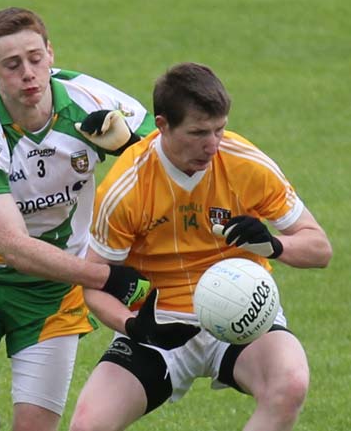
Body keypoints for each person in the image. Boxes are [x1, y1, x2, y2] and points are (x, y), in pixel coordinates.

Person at [0, 7, 155, 431]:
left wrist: (132, 147)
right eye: (12, 65)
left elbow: (166, 155)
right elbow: (13, 248)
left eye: (35, 58)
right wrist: (105, 278)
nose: (28, 73)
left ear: (50, 52)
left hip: (53, 293)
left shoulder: (91, 100)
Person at [69, 62, 333, 431]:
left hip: (245, 314)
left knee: (289, 385)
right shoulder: (126, 187)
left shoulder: (245, 163)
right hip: (159, 326)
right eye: (198, 133)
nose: (212, 145)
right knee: (87, 424)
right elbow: (94, 284)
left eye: (219, 129)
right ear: (162, 126)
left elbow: (319, 248)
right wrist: (134, 327)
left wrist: (274, 245)